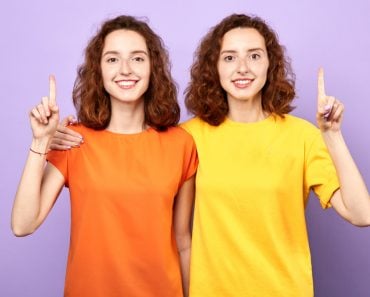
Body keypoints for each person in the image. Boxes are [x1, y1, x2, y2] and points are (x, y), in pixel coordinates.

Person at [50, 13, 370, 297]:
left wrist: (333, 137)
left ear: (270, 64)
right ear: (214, 68)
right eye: (229, 57)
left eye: (254, 56)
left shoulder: (302, 137)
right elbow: (129, 157)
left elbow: (361, 214)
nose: (242, 67)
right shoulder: (189, 137)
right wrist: (71, 133)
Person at [11, 15, 197, 297]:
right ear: (99, 70)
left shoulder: (180, 144)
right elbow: (23, 224)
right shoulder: (76, 141)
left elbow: (183, 241)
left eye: (137, 58)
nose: (125, 69)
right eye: (112, 59)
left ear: (152, 68)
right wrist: (41, 142)